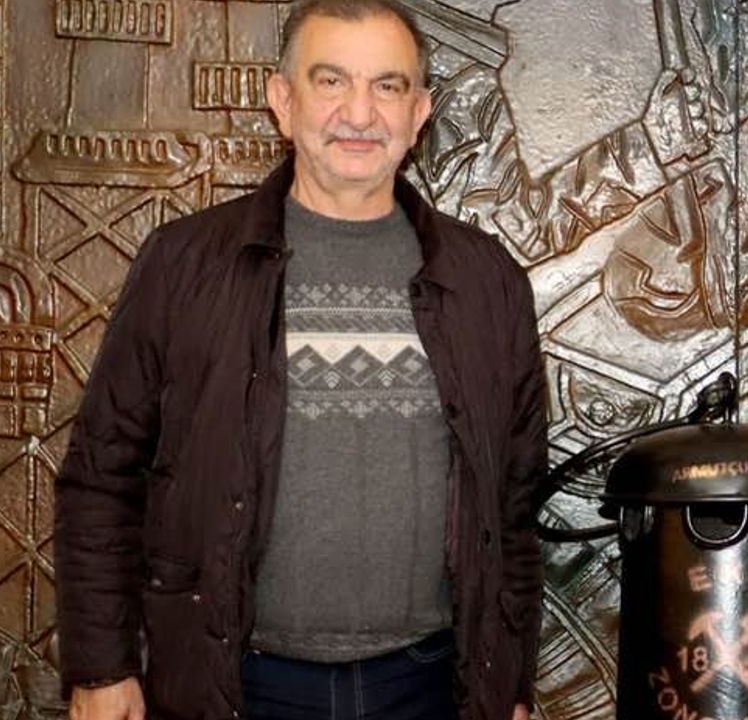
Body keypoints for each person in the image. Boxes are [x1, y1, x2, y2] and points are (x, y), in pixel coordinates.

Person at [54, 1, 545, 719]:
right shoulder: (184, 264)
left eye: (387, 86)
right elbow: (102, 478)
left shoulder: (487, 280)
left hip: (431, 683)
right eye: (331, 81)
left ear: (419, 113)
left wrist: (511, 685)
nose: (360, 113)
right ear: (282, 102)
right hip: (238, 681)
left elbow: (515, 505)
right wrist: (102, 667)